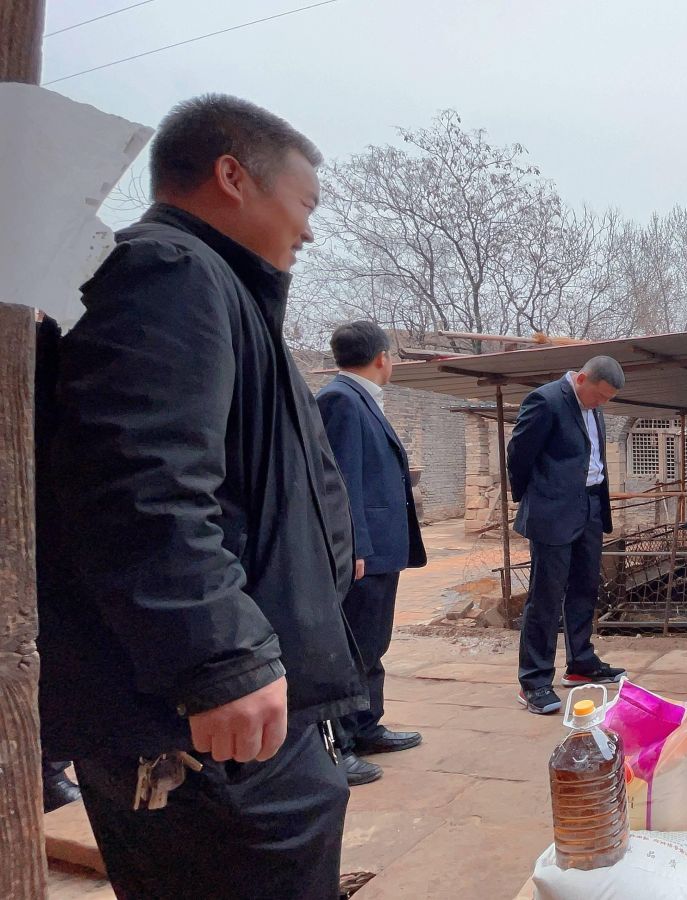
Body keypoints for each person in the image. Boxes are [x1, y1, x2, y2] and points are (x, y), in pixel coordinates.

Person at [36, 95, 361, 900]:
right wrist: (220, 661)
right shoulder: (165, 272)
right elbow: (140, 483)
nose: (309, 230)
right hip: (199, 726)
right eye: (305, 203)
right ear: (232, 176)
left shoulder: (221, 291)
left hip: (232, 718)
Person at [316, 321, 428, 785]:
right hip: (364, 550)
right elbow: (339, 481)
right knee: (352, 648)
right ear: (382, 357)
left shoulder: (359, 397)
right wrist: (355, 545)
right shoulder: (341, 400)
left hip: (381, 546)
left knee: (372, 642)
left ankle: (366, 726)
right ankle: (339, 745)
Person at [508, 356, 628, 714]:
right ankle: (534, 681)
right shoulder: (545, 401)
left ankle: (580, 664)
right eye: (599, 395)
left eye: (607, 399)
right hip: (552, 512)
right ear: (581, 379)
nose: (601, 403)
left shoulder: (593, 406)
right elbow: (518, 454)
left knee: (584, 587)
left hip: (589, 507)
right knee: (546, 596)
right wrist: (538, 498)